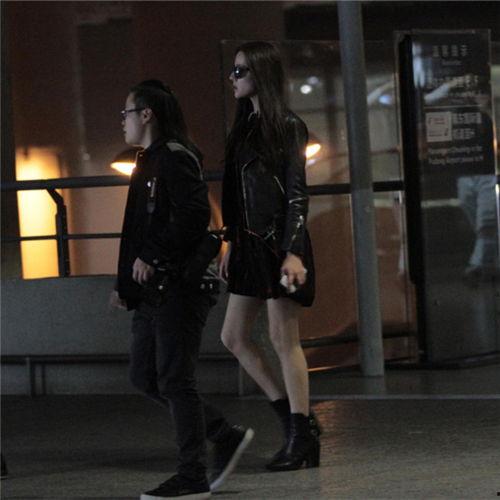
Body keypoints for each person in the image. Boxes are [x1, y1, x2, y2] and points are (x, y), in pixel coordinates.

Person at [110, 80, 253, 500]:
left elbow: (193, 214)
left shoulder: (174, 157)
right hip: (154, 288)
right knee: (145, 375)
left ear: (146, 114)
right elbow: (137, 228)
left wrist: (152, 256)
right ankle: (223, 434)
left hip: (180, 285)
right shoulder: (148, 159)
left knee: (175, 379)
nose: (122, 121)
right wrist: (125, 285)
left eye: (126, 113)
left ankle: (192, 476)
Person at [219, 42, 321, 472]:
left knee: (283, 339)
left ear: (261, 74)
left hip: (279, 245)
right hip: (247, 245)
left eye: (240, 71)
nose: (233, 78)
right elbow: (235, 194)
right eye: (233, 70)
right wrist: (229, 241)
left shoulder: (288, 126)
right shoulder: (244, 126)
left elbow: (297, 194)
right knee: (233, 337)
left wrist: (293, 251)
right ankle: (298, 423)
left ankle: (300, 436)